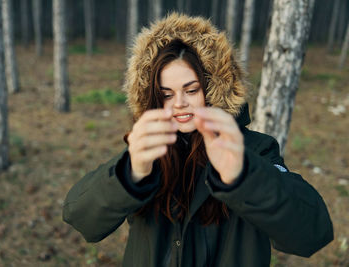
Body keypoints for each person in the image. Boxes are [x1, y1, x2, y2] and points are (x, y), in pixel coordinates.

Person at [63, 13, 333, 267]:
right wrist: (130, 174)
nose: (179, 104)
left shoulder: (255, 150)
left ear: (214, 88)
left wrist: (244, 176)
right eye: (166, 94)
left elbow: (312, 232)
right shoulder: (148, 148)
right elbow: (81, 217)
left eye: (191, 90)